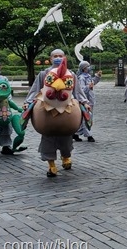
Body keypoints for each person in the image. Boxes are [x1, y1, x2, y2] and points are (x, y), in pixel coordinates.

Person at [24, 49, 91, 177]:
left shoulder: (70, 74)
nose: (58, 58)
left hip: (66, 109)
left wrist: (84, 102)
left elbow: (78, 91)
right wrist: (28, 102)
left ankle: (66, 157)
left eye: (60, 56)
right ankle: (51, 165)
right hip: (47, 110)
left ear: (64, 58)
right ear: (50, 58)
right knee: (47, 139)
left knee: (66, 137)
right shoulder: (44, 74)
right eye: (55, 56)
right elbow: (35, 90)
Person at [73, 60, 102, 142]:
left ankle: (76, 133)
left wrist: (97, 77)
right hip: (85, 100)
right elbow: (81, 90)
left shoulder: (88, 76)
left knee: (86, 118)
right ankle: (89, 135)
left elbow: (93, 82)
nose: (89, 68)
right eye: (87, 66)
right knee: (87, 117)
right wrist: (88, 86)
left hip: (90, 99)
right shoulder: (81, 78)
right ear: (83, 68)